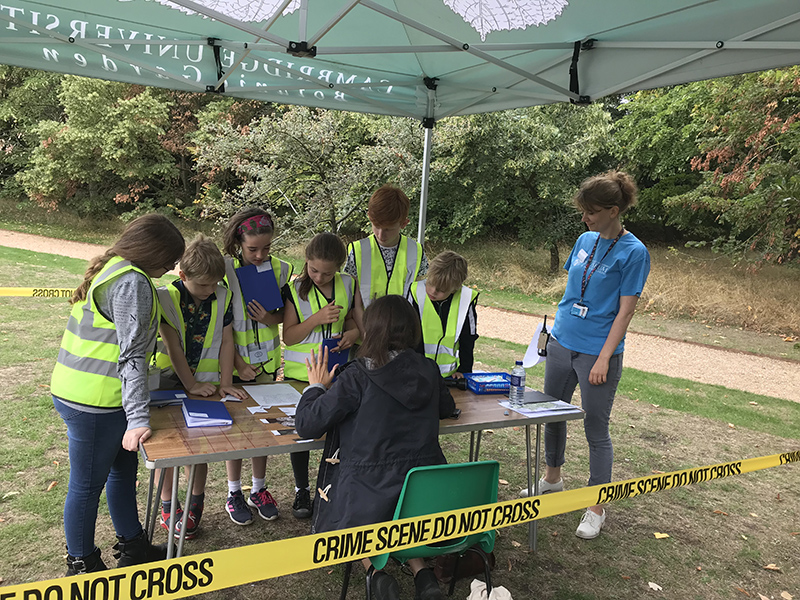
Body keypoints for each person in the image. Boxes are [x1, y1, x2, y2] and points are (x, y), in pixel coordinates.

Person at [296, 295, 455, 600]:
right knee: (399, 505)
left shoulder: (357, 376)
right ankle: (422, 573)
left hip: (366, 497)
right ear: (412, 330)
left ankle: (375, 572)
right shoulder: (428, 370)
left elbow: (307, 423)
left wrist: (316, 386)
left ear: (370, 330)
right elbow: (445, 407)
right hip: (417, 498)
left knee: (374, 511)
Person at [50, 214, 184, 575]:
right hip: (94, 402)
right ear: (150, 252)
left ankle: (133, 545)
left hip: (89, 395)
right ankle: (81, 564)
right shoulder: (132, 283)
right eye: (169, 258)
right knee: (86, 486)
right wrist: (139, 418)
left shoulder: (113, 267)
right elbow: (132, 356)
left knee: (122, 474)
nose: (171, 267)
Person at [522, 171, 651, 540]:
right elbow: (574, 287)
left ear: (613, 210)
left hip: (597, 352)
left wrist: (603, 358)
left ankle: (596, 505)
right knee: (552, 414)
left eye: (591, 212)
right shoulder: (584, 239)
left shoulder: (634, 252)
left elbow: (625, 312)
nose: (584, 218)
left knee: (596, 428)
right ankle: (552, 479)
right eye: (582, 211)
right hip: (562, 342)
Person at [153, 234, 247, 539]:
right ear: (182, 276)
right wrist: (190, 384)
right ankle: (168, 504)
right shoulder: (165, 297)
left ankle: (195, 503)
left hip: (206, 386)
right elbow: (173, 345)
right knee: (166, 447)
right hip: (169, 383)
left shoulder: (223, 295)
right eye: (202, 285)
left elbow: (227, 340)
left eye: (214, 284)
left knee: (201, 446)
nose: (209, 291)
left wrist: (226, 382)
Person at [282, 232, 363, 518]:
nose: (318, 277)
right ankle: (301, 490)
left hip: (339, 374)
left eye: (327, 273)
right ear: (305, 261)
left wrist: (353, 334)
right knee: (301, 435)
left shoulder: (348, 284)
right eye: (313, 270)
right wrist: (316, 319)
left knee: (342, 433)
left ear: (339, 268)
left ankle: (336, 489)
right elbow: (289, 337)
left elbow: (357, 323)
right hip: (302, 376)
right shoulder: (295, 289)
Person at [222, 208, 293, 525]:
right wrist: (237, 363)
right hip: (235, 369)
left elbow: (284, 316)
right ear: (239, 240)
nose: (260, 255)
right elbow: (220, 325)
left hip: (266, 366)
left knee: (263, 431)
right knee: (236, 432)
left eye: (266, 248)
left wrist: (269, 317)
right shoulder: (224, 270)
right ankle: (234, 492)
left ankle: (259, 489)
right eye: (253, 249)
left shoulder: (280, 269)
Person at [344, 184, 427, 313]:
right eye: (376, 226)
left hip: (402, 325)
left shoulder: (416, 251)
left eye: (389, 229)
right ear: (369, 217)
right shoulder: (358, 250)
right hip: (366, 326)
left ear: (404, 224)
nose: (381, 234)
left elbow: (419, 296)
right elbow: (353, 301)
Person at [409, 250, 478, 378]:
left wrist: (464, 370)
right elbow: (407, 337)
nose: (433, 291)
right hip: (417, 374)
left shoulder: (466, 299)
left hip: (450, 377)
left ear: (455, 288)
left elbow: (468, 339)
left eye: (441, 290)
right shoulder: (414, 293)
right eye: (430, 283)